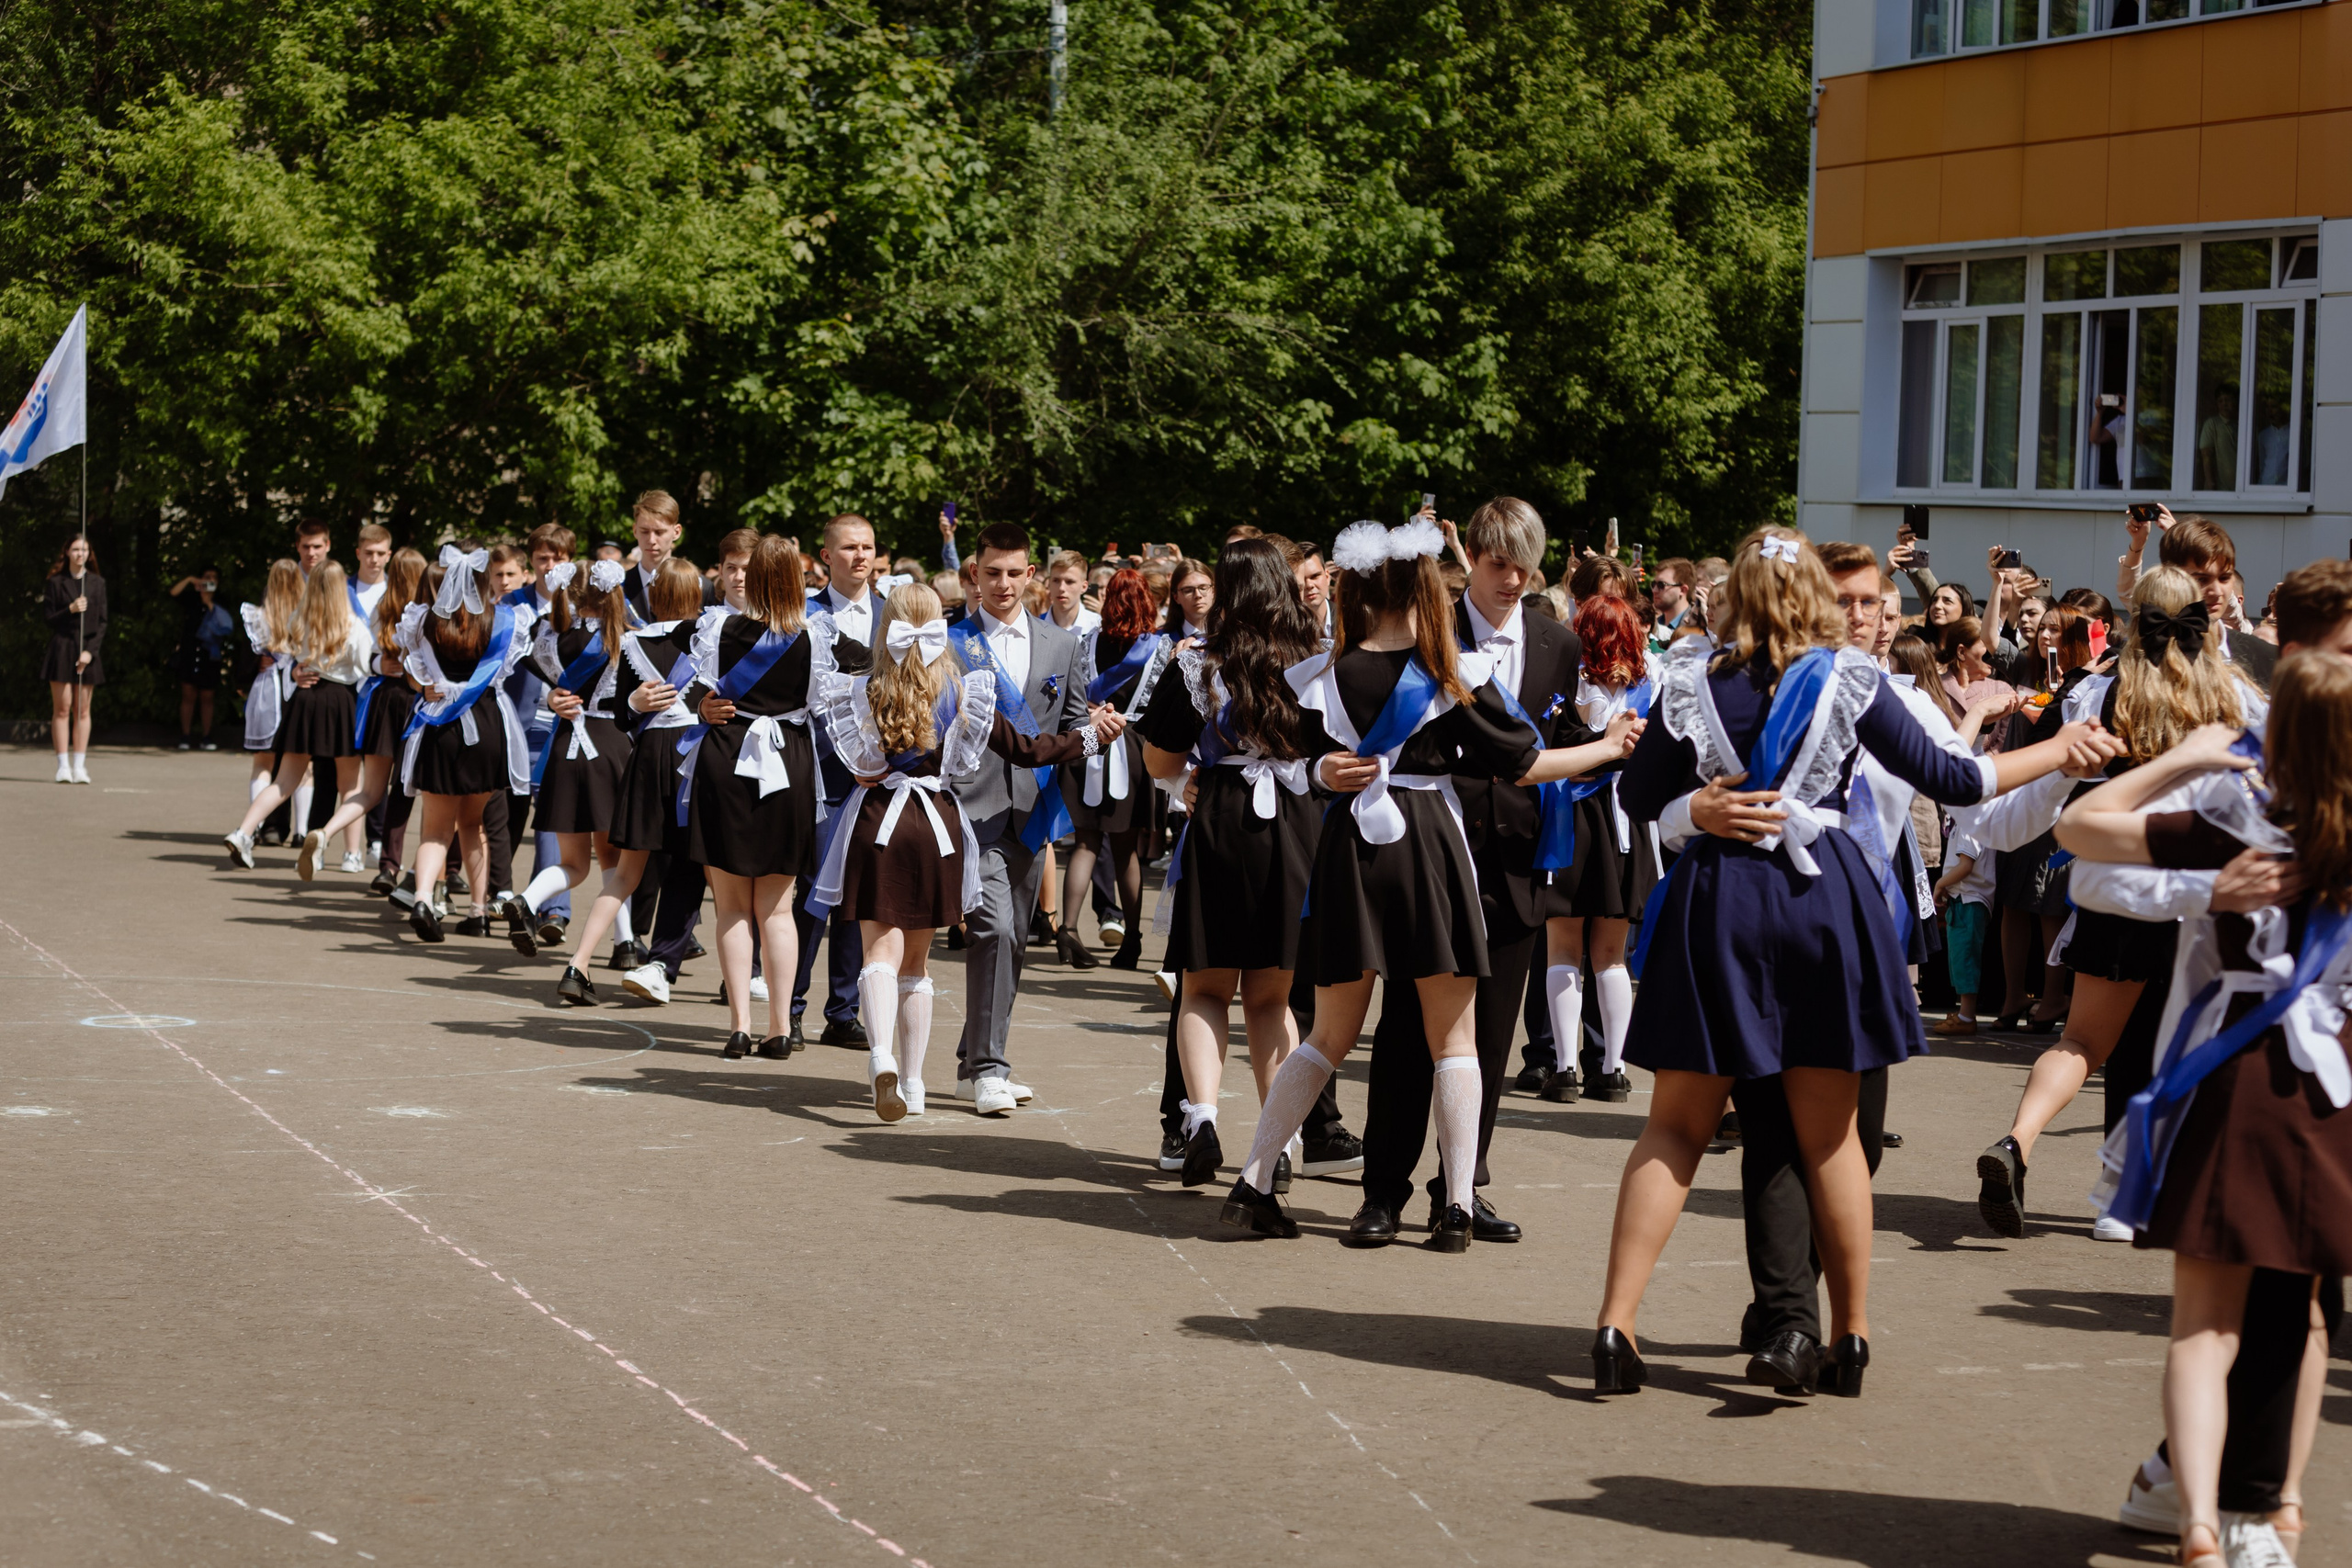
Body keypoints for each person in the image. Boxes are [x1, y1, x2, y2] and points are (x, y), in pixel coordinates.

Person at [1587, 527, 2114, 1399]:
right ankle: (1851, 1333)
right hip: (1818, 901)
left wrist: (1702, 808)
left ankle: (1616, 1324)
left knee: (1675, 1127)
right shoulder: (1848, 679)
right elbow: (1960, 781)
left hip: (1720, 899)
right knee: (1830, 1135)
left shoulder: (1691, 681)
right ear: (1811, 602)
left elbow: (1639, 797)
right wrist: (2061, 749)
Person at [1215, 516, 1639, 1244]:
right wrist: (1606, 746)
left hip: (1349, 850)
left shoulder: (1326, 674)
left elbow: (1294, 760)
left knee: (1326, 1037)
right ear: (1422, 590)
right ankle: (1456, 1206)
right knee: (1456, 1041)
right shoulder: (1451, 676)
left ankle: (1253, 1181)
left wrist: (1323, 770)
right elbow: (1526, 764)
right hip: (1429, 850)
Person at [2057, 663, 2352, 1568]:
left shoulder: (2235, 819)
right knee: (2301, 1309)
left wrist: (2181, 758)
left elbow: (2077, 829)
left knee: (2202, 1326)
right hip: (2333, 1077)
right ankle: (2283, 1509)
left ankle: (2193, 1524)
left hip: (2229, 1067)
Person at [1974, 566, 2259, 1241]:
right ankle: (2128, 1201)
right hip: (2202, 894)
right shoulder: (2234, 694)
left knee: (2081, 1041)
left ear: (2134, 618)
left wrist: (1990, 821)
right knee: (2192, 1050)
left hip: (2113, 885)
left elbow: (2049, 785)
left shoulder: (2098, 692)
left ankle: (2018, 1140)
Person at [1349, 499, 1593, 1247]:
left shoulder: (1558, 641)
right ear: (1470, 560)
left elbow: (1560, 736)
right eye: (1497, 564)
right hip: (1432, 858)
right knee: (1402, 1033)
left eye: (1525, 566)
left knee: (1487, 1038)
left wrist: (1618, 739)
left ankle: (1462, 1185)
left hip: (1519, 863)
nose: (1513, 579)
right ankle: (1382, 1190)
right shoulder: (1429, 631)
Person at [808, 583, 1111, 1119]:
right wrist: (1093, 736)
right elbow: (1028, 750)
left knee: (879, 955)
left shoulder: (863, 689)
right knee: (917, 965)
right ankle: (916, 1084)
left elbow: (864, 771)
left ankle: (879, 1056)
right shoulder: (963, 690)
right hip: (939, 826)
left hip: (881, 821)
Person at [1136, 538, 1324, 1183]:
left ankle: (1205, 1118)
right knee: (1273, 999)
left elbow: (1159, 760)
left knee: (1205, 987)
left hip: (1221, 820)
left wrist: (1190, 778)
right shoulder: (1318, 662)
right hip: (1297, 830)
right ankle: (1281, 1143)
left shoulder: (1199, 665)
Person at [945, 523, 1096, 1116]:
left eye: (1014, 572)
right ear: (974, 575)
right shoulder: (952, 642)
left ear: (1030, 575)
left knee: (1015, 941)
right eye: (991, 573)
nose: (1003, 583)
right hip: (970, 804)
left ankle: (974, 1060)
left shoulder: (1062, 645)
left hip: (1034, 809)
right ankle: (988, 1067)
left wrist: (1095, 734)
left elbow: (1076, 720)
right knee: (995, 929)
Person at [684, 536, 829, 1058]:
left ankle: (739, 1027)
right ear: (796, 577)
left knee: (730, 908)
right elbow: (821, 706)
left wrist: (705, 707)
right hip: (786, 763)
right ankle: (780, 1029)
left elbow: (695, 691)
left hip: (726, 759)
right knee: (778, 910)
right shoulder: (815, 636)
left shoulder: (718, 627)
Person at [554, 557, 706, 1007]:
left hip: (646, 761)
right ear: (696, 597)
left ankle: (577, 963)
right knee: (704, 873)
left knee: (624, 875)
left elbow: (623, 715)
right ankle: (731, 975)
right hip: (689, 760)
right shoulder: (708, 641)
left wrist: (639, 703)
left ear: (654, 597)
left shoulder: (632, 642)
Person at [1534, 588, 1656, 1105]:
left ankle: (1563, 1068)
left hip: (1569, 813)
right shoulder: (1650, 682)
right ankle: (1613, 1067)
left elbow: (1548, 744)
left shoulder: (1567, 678)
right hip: (1623, 819)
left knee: (1562, 946)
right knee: (1611, 955)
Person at [387, 546, 538, 942]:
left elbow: (416, 674)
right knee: (475, 825)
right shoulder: (504, 619)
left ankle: (422, 898)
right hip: (486, 726)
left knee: (436, 830)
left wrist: (431, 687)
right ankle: (477, 911)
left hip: (441, 728)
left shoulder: (423, 622)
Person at [499, 559, 635, 958]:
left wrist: (555, 697)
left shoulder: (551, 635)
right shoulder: (625, 637)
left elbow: (531, 669)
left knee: (574, 862)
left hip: (564, 747)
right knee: (615, 858)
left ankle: (526, 898)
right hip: (609, 747)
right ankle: (625, 943)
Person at [792, 515, 888, 1047]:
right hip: (818, 772)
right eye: (849, 548)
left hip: (878, 778)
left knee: (861, 897)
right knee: (814, 895)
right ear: (825, 556)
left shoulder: (892, 617)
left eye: (868, 547)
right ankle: (792, 1004)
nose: (859, 556)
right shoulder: (803, 615)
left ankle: (843, 1011)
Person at [221, 561, 376, 871]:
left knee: (284, 781)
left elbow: (292, 651)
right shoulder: (353, 624)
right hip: (340, 701)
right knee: (350, 784)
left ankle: (243, 832)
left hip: (305, 699)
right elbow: (365, 665)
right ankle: (351, 855)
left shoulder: (298, 619)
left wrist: (301, 667)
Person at [1057, 568, 1168, 971]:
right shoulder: (1160, 647)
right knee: (1126, 850)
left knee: (1085, 843)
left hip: (1090, 742)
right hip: (1134, 747)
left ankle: (1068, 929)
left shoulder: (1086, 643)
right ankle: (1132, 941)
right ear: (1147, 602)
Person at [300, 547, 428, 895]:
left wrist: (379, 667)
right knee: (420, 793)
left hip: (383, 702)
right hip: (417, 702)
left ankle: (327, 833)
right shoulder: (427, 613)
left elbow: (363, 655)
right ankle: (414, 871)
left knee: (370, 790)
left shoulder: (381, 609)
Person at [41, 536, 105, 784]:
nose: (80, 554)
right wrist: (70, 609)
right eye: (76, 549)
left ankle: (80, 765)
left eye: (84, 549)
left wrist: (90, 652)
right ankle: (62, 765)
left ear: (90, 553)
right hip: (62, 648)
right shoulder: (56, 583)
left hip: (87, 651)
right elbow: (48, 618)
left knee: (83, 709)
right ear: (67, 551)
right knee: (62, 707)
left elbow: (102, 622)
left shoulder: (97, 583)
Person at [168, 567, 234, 750]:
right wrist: (190, 579)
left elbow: (226, 626)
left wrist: (209, 602)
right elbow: (173, 593)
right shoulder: (191, 600)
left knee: (207, 695)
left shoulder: (221, 602)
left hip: (210, 655)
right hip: (190, 652)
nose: (210, 581)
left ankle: (207, 736)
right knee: (188, 694)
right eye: (207, 577)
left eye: (214, 578)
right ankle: (185, 735)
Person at [619, 490, 684, 621]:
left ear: (676, 532)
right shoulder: (619, 587)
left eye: (659, 532)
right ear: (635, 530)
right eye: (644, 531)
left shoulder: (701, 587)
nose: (651, 540)